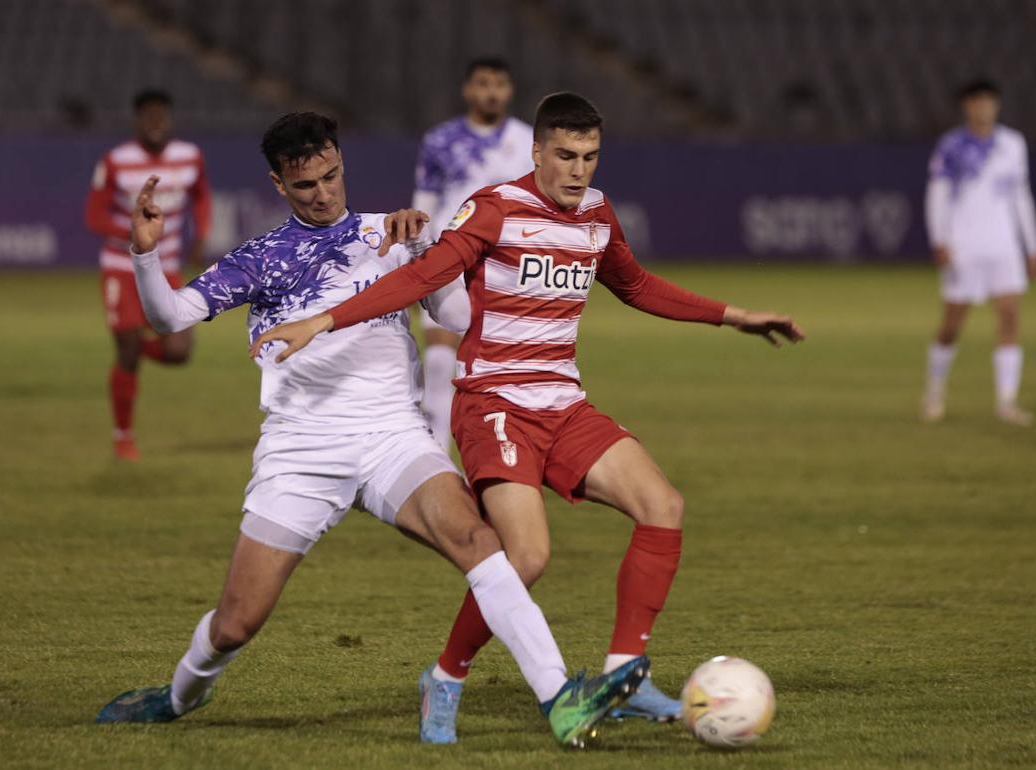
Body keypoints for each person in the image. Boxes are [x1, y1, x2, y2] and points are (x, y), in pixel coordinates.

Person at [250, 93, 805, 743]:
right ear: (537, 152)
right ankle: (446, 676)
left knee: (664, 506)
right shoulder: (494, 209)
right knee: (528, 556)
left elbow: (638, 285)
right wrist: (324, 317)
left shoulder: (597, 215)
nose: (578, 171)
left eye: (590, 157)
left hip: (563, 404)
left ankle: (623, 675)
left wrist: (735, 317)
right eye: (565, 156)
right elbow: (427, 273)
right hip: (494, 406)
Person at [93, 113, 647, 749]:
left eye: (332, 176)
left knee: (477, 540)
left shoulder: (392, 233)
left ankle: (561, 699)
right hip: (301, 449)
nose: (324, 193)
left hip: (392, 437)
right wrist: (144, 254)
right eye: (306, 186)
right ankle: (178, 694)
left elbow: (457, 316)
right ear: (278, 185)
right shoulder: (260, 258)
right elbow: (166, 319)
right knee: (237, 623)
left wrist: (433, 252)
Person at [411, 57, 535, 448]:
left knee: (506, 369)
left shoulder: (530, 142)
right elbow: (424, 205)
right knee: (438, 359)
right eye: (483, 84)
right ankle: (435, 459)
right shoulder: (439, 141)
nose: (491, 92)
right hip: (451, 257)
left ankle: (505, 451)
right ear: (468, 90)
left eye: (499, 84)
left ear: (510, 90)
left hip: (507, 268)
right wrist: (422, 257)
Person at [85, 89, 211, 461]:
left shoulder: (190, 156)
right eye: (148, 116)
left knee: (178, 352)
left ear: (169, 119)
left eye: (161, 115)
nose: (156, 122)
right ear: (137, 120)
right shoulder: (116, 161)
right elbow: (94, 215)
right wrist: (133, 232)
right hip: (122, 267)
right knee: (126, 351)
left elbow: (201, 195)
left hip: (166, 267)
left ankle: (133, 343)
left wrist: (201, 232)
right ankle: (123, 436)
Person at [921, 79, 1036, 426]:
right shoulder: (951, 146)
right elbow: (938, 194)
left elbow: (1021, 196)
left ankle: (1007, 402)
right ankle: (934, 391)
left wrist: (1032, 246)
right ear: (966, 106)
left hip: (1004, 245)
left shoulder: (1012, 144)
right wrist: (939, 239)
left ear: (997, 105)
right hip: (964, 245)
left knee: (1009, 317)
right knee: (952, 324)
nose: (983, 107)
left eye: (989, 101)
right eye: (976, 101)